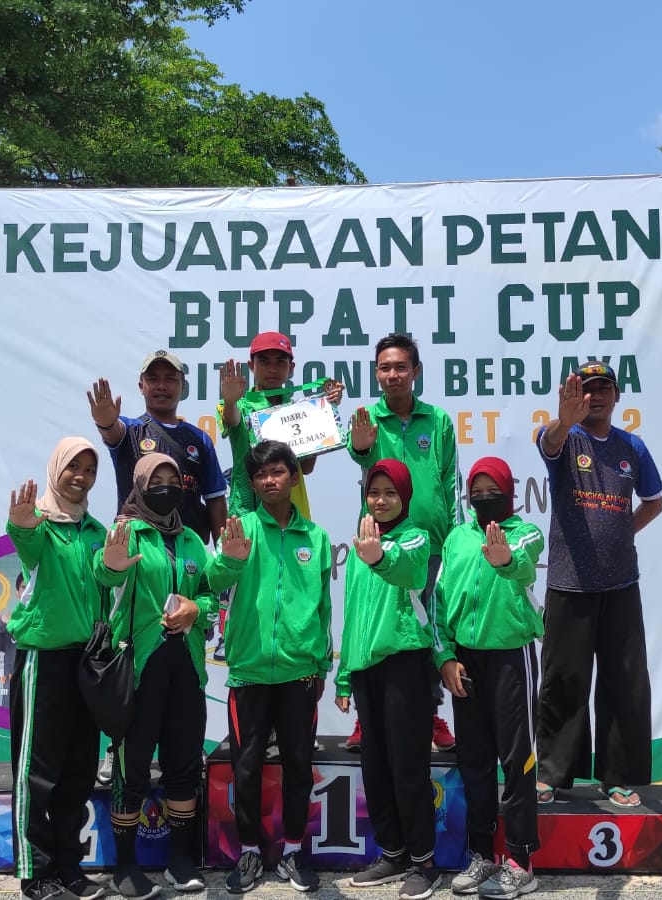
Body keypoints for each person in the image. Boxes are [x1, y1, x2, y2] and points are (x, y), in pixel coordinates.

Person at [534, 361, 662, 810]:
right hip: (570, 584)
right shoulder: (565, 438)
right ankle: (551, 775)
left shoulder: (633, 447)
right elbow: (548, 442)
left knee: (624, 682)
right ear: (576, 397)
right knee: (563, 682)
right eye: (587, 390)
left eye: (604, 388)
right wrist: (562, 421)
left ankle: (619, 778)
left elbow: (654, 502)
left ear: (617, 395)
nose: (596, 396)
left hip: (621, 583)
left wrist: (622, 531)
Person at [206, 440, 333, 894]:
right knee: (247, 769)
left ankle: (295, 851)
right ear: (254, 483)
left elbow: (323, 609)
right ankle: (251, 854)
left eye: (278, 472)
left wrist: (320, 663)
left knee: (299, 766)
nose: (269, 480)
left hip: (300, 673)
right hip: (250, 672)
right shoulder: (241, 531)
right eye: (260, 475)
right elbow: (216, 583)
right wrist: (230, 557)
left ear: (294, 478)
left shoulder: (315, 538)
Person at [93, 453, 217, 898]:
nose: (165, 485)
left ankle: (180, 861)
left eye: (172, 478)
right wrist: (109, 564)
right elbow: (104, 577)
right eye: (155, 479)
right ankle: (125, 866)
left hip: (186, 669)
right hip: (138, 670)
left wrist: (196, 610)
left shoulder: (192, 541)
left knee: (184, 763)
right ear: (140, 484)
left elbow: (210, 598)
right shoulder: (126, 531)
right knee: (132, 768)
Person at [4, 437, 109, 900]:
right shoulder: (42, 525)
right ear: (56, 470)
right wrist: (21, 525)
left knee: (78, 770)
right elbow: (25, 541)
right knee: (37, 772)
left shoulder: (96, 532)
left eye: (89, 469)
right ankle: (35, 873)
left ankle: (69, 867)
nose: (81, 476)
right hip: (43, 660)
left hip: (85, 662)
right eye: (73, 467)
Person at [435, 457, 545, 898]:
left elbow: (524, 563)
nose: (484, 497)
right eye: (476, 491)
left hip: (510, 658)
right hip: (466, 662)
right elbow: (439, 601)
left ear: (508, 492)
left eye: (491, 489)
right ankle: (482, 855)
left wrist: (504, 560)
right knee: (474, 762)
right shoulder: (457, 539)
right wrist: (444, 655)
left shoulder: (526, 533)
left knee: (516, 762)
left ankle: (520, 860)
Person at [346, 333, 459, 753]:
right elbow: (360, 456)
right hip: (379, 544)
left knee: (427, 630)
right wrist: (360, 445)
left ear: (416, 371)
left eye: (400, 367)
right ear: (376, 373)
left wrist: (454, 539)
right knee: (374, 627)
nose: (392, 375)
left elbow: (450, 479)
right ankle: (364, 717)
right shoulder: (368, 418)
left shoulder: (439, 420)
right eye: (384, 368)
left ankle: (430, 715)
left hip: (429, 547)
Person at [335, 460, 440, 900]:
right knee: (375, 767)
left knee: (408, 768)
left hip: (405, 665)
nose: (380, 501)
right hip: (366, 668)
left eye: (389, 493)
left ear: (405, 497)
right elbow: (353, 611)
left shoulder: (414, 536)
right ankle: (393, 852)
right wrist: (344, 676)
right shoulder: (362, 541)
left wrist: (379, 556)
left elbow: (410, 571)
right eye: (373, 492)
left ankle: (424, 862)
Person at [213, 331, 342, 663]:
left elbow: (308, 466)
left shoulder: (299, 406)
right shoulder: (240, 402)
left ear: (291, 367)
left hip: (291, 511)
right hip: (247, 512)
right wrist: (229, 400)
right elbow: (231, 420)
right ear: (251, 365)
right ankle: (235, 644)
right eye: (264, 361)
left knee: (292, 589)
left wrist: (324, 412)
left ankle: (297, 653)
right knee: (244, 588)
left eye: (280, 361)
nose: (272, 368)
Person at [87, 349, 227, 545]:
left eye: (170, 379)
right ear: (141, 386)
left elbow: (216, 500)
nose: (161, 386)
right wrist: (105, 422)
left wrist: (224, 552)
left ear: (183, 387)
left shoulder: (199, 439)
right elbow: (112, 431)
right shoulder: (130, 430)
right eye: (153, 379)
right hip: (139, 547)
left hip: (188, 553)